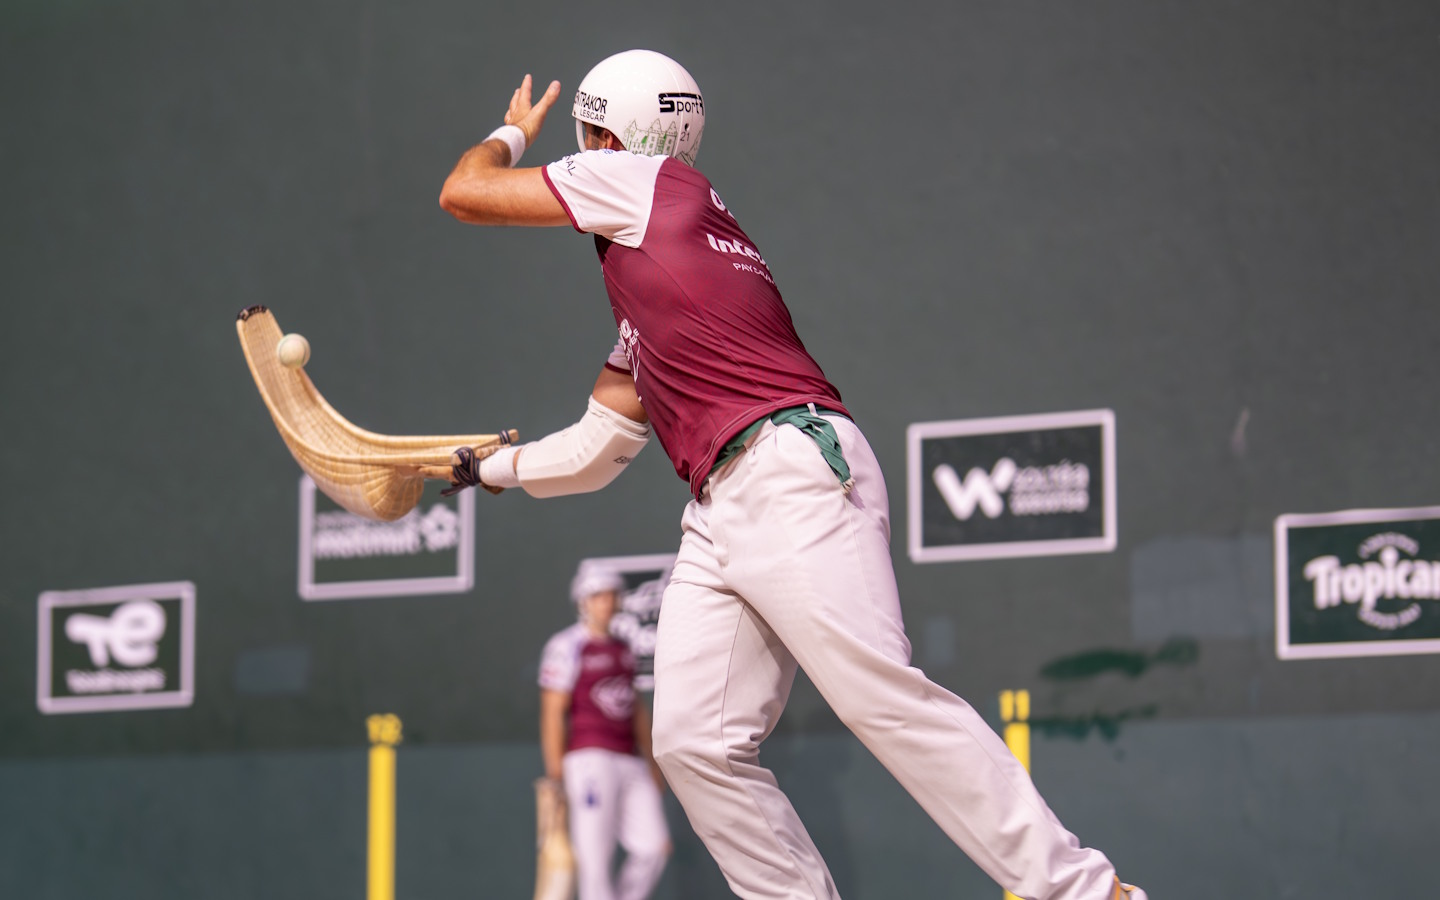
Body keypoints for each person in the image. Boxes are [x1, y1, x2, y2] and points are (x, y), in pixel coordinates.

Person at [435, 49, 1147, 900]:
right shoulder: (662, 259)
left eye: (583, 139)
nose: (576, 155)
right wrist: (488, 470)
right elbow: (597, 450)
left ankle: (1084, 890)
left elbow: (466, 191)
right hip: (721, 508)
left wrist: (512, 131)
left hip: (789, 467)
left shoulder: (635, 180)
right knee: (694, 741)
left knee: (881, 696)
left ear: (602, 136)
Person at [538, 562, 670, 900]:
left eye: (611, 595)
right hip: (589, 759)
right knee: (595, 861)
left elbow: (636, 708)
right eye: (597, 596)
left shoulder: (624, 648)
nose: (606, 603)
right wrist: (555, 772)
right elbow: (553, 711)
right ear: (583, 601)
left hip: (630, 759)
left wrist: (654, 762)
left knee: (654, 847)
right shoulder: (567, 646)